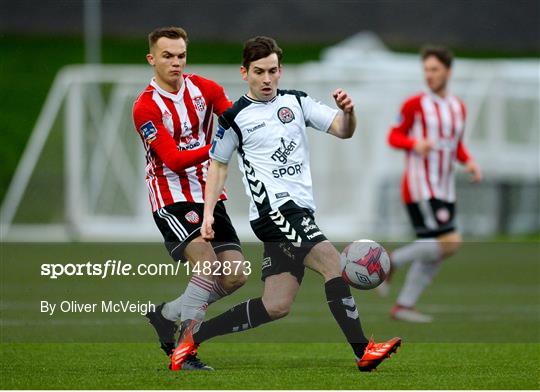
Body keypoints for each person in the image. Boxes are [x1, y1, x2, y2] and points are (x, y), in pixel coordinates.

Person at [168, 36, 401, 372]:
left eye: (272, 71)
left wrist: (350, 113)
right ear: (244, 72)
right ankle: (363, 351)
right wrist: (207, 215)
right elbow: (218, 165)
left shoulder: (297, 102)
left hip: (296, 212)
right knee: (335, 265)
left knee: (276, 305)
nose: (267, 79)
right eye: (259, 71)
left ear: (281, 71)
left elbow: (342, 129)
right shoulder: (235, 117)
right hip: (275, 211)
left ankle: (191, 339)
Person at [132, 26, 248, 370]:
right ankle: (185, 350)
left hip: (209, 194)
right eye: (167, 56)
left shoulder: (205, 88)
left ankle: (167, 315)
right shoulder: (146, 107)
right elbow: (173, 159)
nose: (175, 62)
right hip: (171, 197)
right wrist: (219, 146)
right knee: (208, 265)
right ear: (152, 59)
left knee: (236, 275)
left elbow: (233, 119)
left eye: (181, 55)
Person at [379, 45, 482, 323]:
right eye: (426, 69)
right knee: (450, 242)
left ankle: (404, 305)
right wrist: (414, 142)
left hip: (444, 187)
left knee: (435, 250)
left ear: (448, 71)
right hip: (420, 186)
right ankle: (390, 262)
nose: (429, 75)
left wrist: (469, 161)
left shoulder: (458, 107)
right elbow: (393, 137)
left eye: (434, 69)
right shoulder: (414, 105)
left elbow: (455, 145)